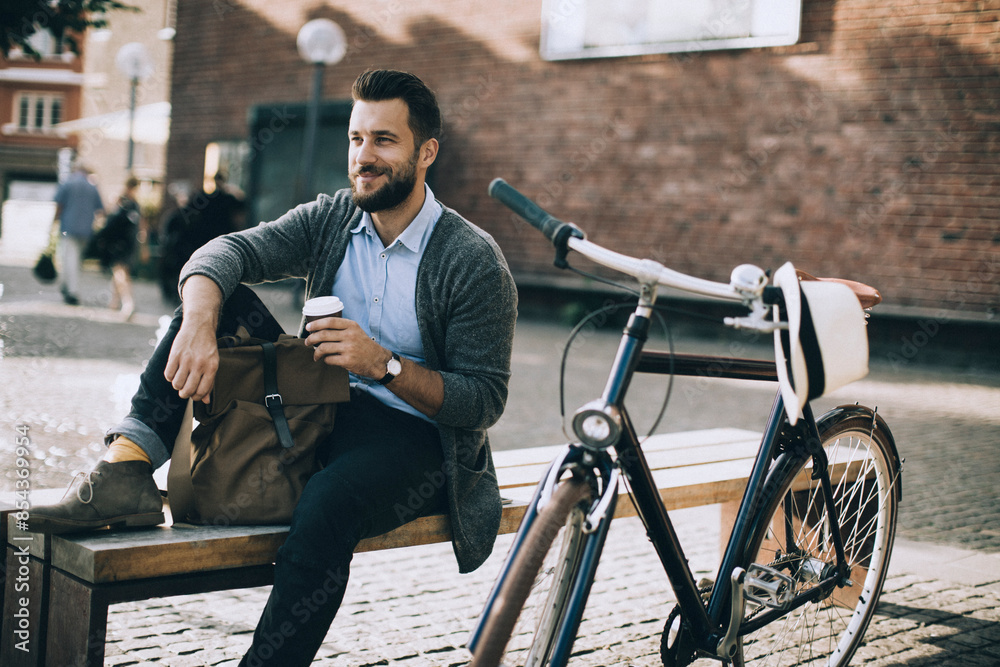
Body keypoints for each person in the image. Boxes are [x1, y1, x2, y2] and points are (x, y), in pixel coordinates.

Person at [31, 69, 518, 666]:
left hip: (414, 435)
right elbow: (225, 251)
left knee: (327, 503)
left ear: (427, 152)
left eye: (383, 141)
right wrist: (199, 323)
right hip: (317, 399)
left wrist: (383, 364)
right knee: (216, 298)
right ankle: (126, 471)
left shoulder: (472, 260)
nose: (363, 157)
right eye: (355, 139)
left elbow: (482, 401)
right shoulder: (335, 217)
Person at [53, 162, 104, 305]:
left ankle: (71, 291)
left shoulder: (67, 183)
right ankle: (67, 285)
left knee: (68, 258)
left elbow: (59, 205)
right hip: (86, 231)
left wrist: (54, 221)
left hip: (68, 228)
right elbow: (100, 210)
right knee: (76, 260)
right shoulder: (92, 187)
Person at [95, 175, 142, 320]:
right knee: (120, 271)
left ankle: (128, 303)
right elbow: (141, 225)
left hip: (119, 243)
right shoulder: (134, 204)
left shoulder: (122, 201)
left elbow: (110, 220)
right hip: (129, 242)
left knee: (120, 273)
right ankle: (114, 302)